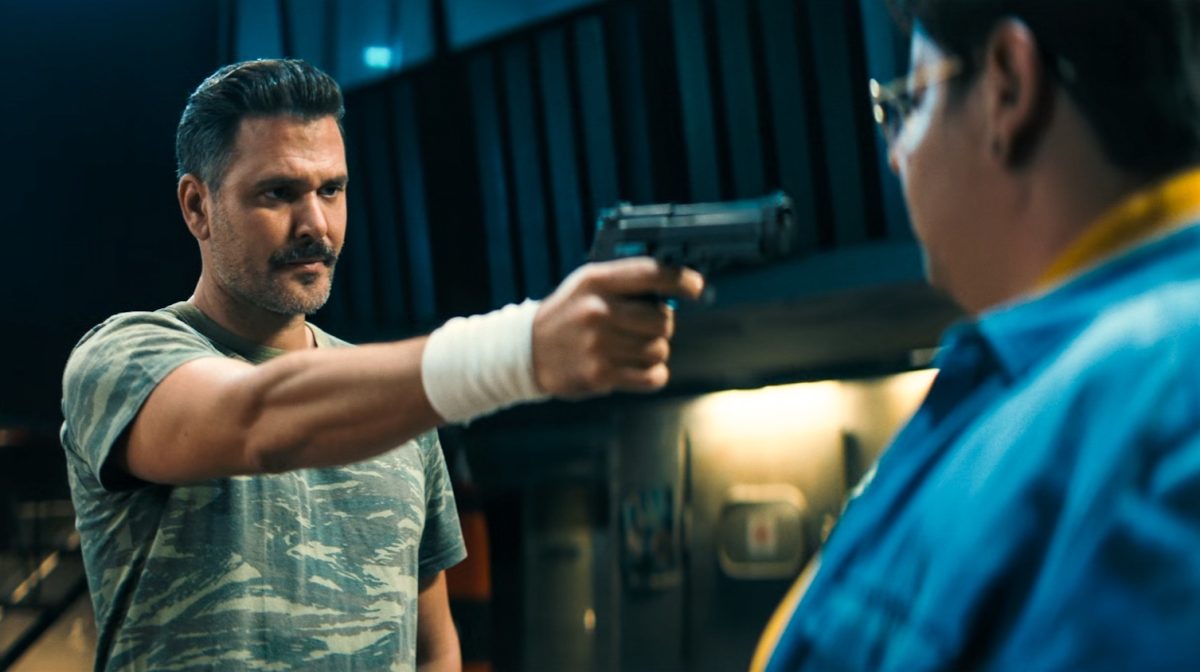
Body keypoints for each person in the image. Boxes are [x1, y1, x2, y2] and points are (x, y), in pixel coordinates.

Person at [59, 59, 703, 671]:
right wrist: (522, 349)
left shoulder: (390, 404)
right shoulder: (123, 357)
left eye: (331, 189)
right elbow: (255, 418)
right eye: (279, 192)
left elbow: (433, 648)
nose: (315, 224)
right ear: (197, 206)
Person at [753, 0, 1200, 669]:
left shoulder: (1161, 404)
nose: (896, 157)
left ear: (1007, 87)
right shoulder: (1064, 380)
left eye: (910, 103)